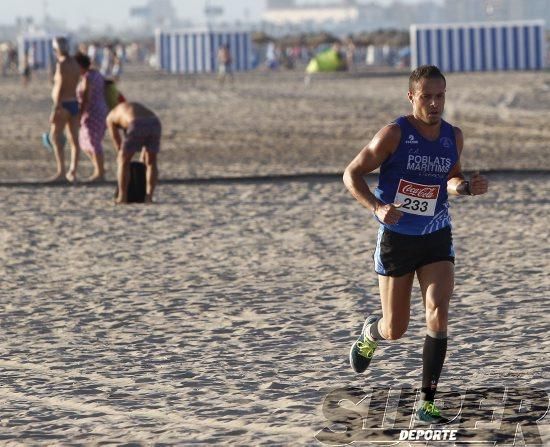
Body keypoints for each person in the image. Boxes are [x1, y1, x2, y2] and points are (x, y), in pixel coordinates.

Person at [343, 65, 488, 424]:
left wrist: (465, 187)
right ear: (412, 97)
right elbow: (352, 174)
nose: (435, 103)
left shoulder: (453, 136)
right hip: (397, 239)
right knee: (396, 329)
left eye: (440, 96)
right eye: (427, 96)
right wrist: (378, 207)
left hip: (436, 235)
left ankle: (427, 402)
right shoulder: (394, 134)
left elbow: (450, 179)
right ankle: (369, 334)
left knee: (438, 310)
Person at [106, 102, 161, 204]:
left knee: (123, 161)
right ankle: (149, 197)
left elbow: (117, 141)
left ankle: (122, 198)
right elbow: (145, 134)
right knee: (151, 163)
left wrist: (122, 156)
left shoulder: (110, 117)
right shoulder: (128, 107)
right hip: (155, 122)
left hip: (137, 123)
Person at [49, 37, 81, 183]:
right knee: (74, 139)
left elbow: (60, 85)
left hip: (63, 103)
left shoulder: (61, 65)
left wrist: (56, 106)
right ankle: (73, 171)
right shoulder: (75, 63)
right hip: (74, 102)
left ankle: (61, 171)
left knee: (56, 137)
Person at [75, 52, 109, 182]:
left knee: (93, 142)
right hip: (100, 110)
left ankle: (99, 173)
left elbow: (86, 98)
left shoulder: (87, 78)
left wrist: (80, 115)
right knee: (85, 142)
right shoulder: (97, 74)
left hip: (92, 112)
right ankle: (98, 168)